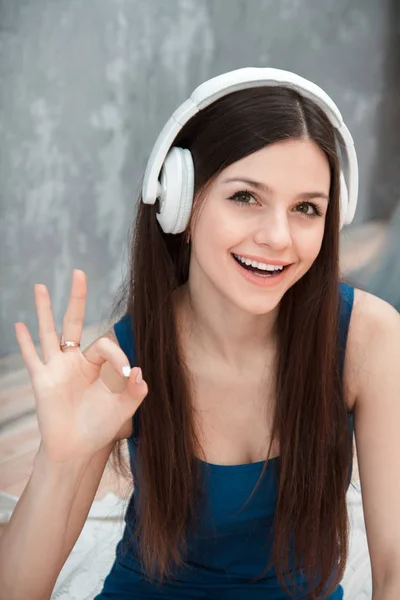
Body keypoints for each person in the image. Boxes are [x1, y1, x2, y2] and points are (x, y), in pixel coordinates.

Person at [0, 68, 399, 600]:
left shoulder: (367, 338)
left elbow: (394, 562)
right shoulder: (123, 362)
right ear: (180, 204)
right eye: (245, 197)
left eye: (307, 209)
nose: (277, 237)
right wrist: (59, 458)